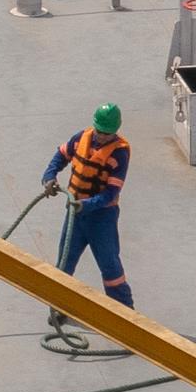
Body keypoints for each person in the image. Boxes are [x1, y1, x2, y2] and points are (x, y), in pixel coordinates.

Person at [42, 102, 136, 305]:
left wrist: (88, 205)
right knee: (64, 263)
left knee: (110, 267)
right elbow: (60, 156)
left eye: (107, 133)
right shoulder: (80, 139)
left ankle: (125, 313)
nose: (101, 136)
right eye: (100, 131)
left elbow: (112, 193)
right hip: (75, 214)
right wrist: (49, 176)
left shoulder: (119, 153)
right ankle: (59, 307)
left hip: (102, 218)